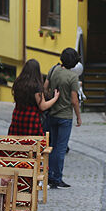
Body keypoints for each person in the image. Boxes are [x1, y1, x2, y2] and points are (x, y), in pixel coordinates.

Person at [44, 48, 83, 189]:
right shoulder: (72, 77)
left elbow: (45, 88)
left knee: (52, 146)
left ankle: (49, 176)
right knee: (60, 148)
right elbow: (74, 100)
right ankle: (56, 177)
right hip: (65, 116)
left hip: (52, 113)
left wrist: (51, 99)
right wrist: (78, 117)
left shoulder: (53, 70)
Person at [8, 59, 59, 136]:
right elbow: (42, 106)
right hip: (31, 117)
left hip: (18, 115)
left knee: (17, 142)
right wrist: (55, 98)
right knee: (31, 143)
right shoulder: (36, 86)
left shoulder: (18, 82)